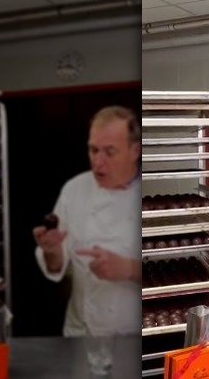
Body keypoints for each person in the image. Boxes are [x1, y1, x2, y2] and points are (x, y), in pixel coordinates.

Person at [33, 105, 142, 337]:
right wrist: (52, 250)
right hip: (80, 332)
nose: (98, 162)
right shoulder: (75, 189)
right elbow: (56, 265)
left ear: (134, 150)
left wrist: (129, 269)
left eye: (109, 152)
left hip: (131, 337)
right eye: (93, 150)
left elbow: (173, 274)